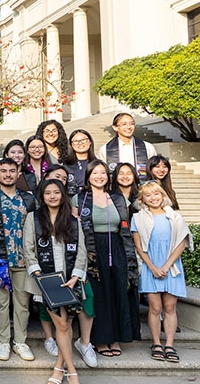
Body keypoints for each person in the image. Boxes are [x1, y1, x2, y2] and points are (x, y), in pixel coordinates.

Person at [24, 179, 88, 384]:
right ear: (42, 196)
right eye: (48, 193)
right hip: (47, 281)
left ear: (63, 195)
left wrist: (76, 277)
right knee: (61, 325)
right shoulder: (33, 220)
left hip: (70, 280)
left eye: (56, 192)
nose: (52, 196)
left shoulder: (73, 221)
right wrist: (40, 276)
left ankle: (59, 367)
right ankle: (73, 371)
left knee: (65, 325)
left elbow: (82, 252)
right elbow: (28, 249)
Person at [74, 160, 138, 357]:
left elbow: (125, 227)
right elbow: (74, 228)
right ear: (88, 176)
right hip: (93, 249)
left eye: (103, 173)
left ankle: (116, 337)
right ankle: (100, 339)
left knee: (118, 290)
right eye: (95, 173)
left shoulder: (118, 198)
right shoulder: (80, 198)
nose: (99, 176)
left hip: (116, 247)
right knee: (99, 294)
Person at [0, 158, 38, 362]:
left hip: (23, 261)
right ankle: (3, 341)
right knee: (1, 303)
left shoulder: (28, 200)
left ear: (19, 172)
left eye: (12, 171)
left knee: (22, 303)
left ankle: (20, 341)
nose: (8, 174)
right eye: (4, 171)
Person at [132, 182, 192, 363]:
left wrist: (166, 266)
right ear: (142, 200)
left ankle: (170, 345)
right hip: (151, 267)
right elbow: (139, 246)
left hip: (171, 267)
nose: (153, 198)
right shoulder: (138, 218)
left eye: (156, 194)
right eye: (148, 195)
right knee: (155, 308)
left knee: (170, 308)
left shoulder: (174, 216)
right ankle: (157, 343)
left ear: (162, 195)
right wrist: (153, 267)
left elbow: (182, 243)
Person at [100, 112, 156, 180]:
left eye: (132, 124)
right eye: (124, 124)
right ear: (115, 127)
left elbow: (154, 170)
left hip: (142, 188)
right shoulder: (105, 149)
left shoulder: (148, 147)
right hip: (116, 189)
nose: (129, 127)